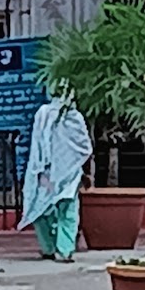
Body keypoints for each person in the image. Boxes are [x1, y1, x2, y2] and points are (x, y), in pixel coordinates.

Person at [19, 95, 92, 261]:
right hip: (68, 172)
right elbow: (85, 149)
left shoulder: (43, 113)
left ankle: (48, 248)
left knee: (42, 210)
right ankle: (65, 251)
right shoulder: (75, 117)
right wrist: (86, 173)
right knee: (68, 211)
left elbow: (38, 144)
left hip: (46, 172)